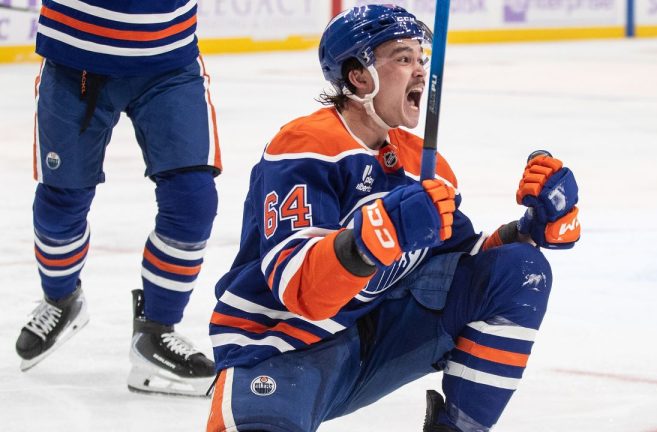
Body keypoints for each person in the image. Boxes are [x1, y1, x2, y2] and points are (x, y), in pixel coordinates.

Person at [206, 4, 580, 431]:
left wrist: (531, 228)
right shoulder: (307, 146)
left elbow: (460, 263)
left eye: (422, 58)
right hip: (279, 346)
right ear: (359, 77)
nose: (421, 69)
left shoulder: (424, 164)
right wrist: (380, 234)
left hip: (372, 338)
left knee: (519, 270)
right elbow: (301, 290)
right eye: (403, 58)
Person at [14, 0, 221, 397]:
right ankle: (61, 299)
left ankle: (156, 331)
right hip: (74, 63)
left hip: (169, 64)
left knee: (193, 201)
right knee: (60, 205)